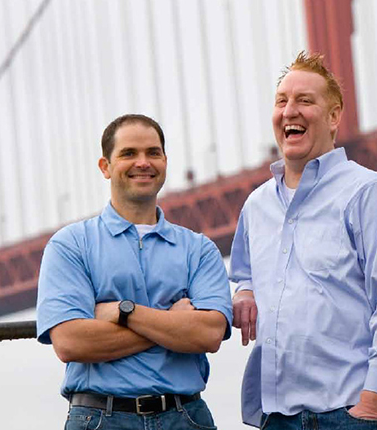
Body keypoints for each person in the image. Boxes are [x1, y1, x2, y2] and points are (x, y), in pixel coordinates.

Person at [229, 52, 377, 430]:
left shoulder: (369, 192)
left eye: (305, 100)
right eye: (281, 101)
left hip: (355, 414)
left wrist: (374, 400)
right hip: (279, 418)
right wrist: (245, 291)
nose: (290, 110)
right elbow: (245, 272)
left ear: (334, 116)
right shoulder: (256, 206)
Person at [37, 114, 232, 430]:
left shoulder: (199, 248)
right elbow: (71, 343)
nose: (143, 162)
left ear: (165, 162)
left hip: (185, 417)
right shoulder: (70, 245)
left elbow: (208, 334)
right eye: (129, 153)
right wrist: (173, 321)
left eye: (153, 153)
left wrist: (122, 311)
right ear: (105, 166)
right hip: (100, 418)